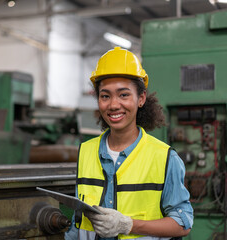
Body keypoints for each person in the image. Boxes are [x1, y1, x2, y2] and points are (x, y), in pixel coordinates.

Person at [65, 47, 193, 240]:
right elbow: (79, 223)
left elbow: (182, 224)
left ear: (141, 98)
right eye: (105, 96)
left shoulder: (164, 157)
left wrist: (129, 225)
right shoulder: (86, 151)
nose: (114, 105)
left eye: (123, 95)